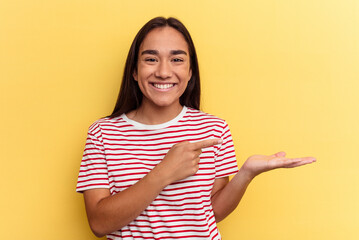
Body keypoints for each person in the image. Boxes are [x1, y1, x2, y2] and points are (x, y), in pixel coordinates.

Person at [76, 17, 316, 240]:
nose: (163, 72)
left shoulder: (213, 129)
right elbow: (99, 223)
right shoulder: (103, 133)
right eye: (151, 59)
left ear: (190, 72)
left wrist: (246, 174)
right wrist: (164, 172)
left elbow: (211, 213)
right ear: (134, 71)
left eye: (177, 59)